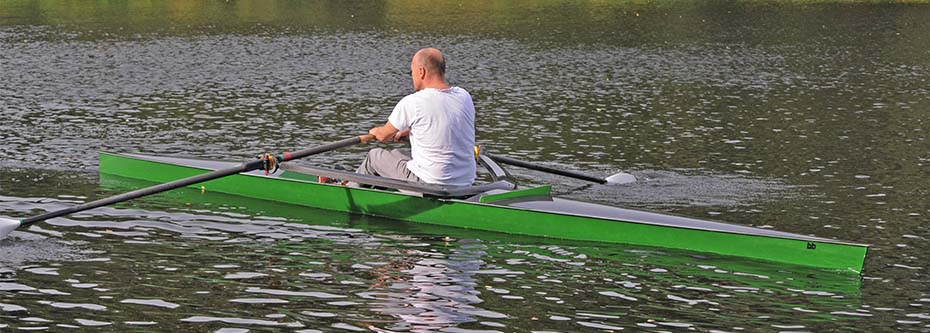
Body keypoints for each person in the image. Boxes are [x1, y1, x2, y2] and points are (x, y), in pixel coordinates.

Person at [356, 48, 476, 187]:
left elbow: (383, 135)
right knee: (397, 154)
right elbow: (446, 124)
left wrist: (375, 131)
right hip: (464, 183)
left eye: (412, 72)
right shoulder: (464, 96)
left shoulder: (413, 102)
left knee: (374, 156)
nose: (412, 76)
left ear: (421, 72)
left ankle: (348, 189)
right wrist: (411, 131)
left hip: (429, 185)